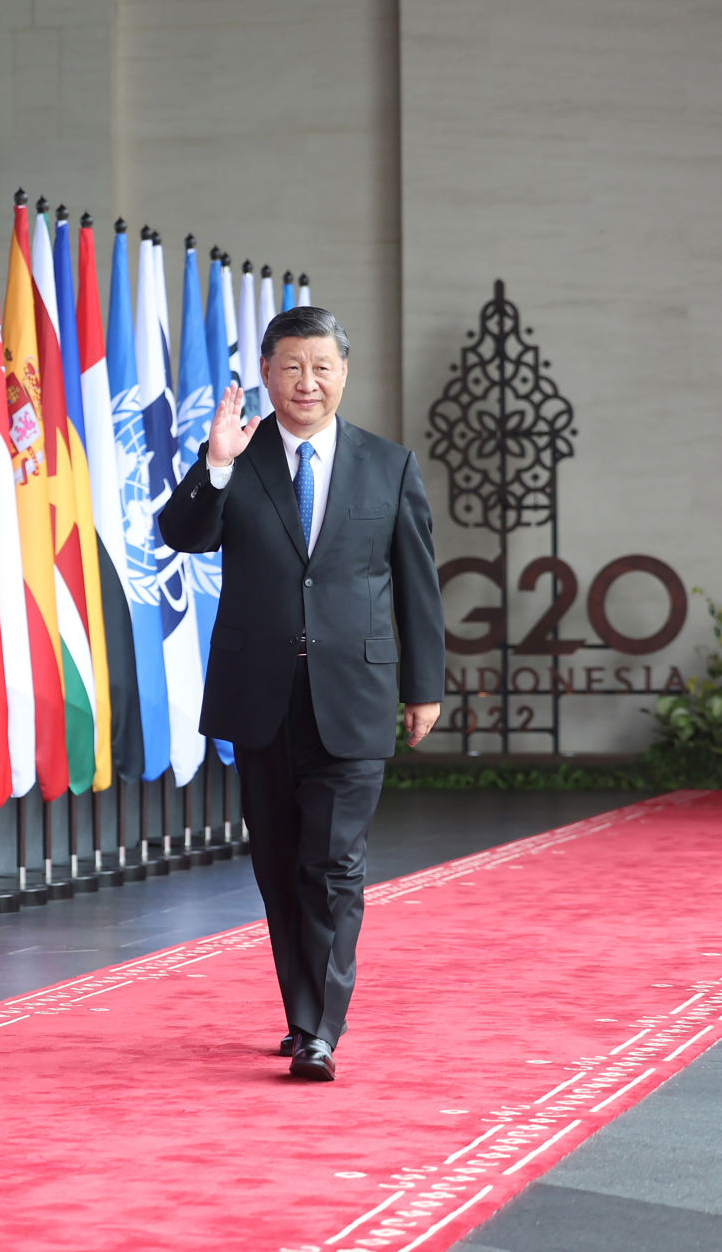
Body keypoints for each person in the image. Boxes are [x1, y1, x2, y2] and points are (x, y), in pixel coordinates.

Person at [159, 306, 445, 1082]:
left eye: (321, 367)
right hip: (263, 697)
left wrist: (424, 685)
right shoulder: (239, 457)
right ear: (267, 373)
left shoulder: (388, 465)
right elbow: (182, 534)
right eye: (291, 366)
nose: (306, 382)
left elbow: (417, 583)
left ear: (344, 373)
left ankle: (321, 1029)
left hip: (355, 694)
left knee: (334, 863)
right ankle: (302, 1013)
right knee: (280, 863)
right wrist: (215, 464)